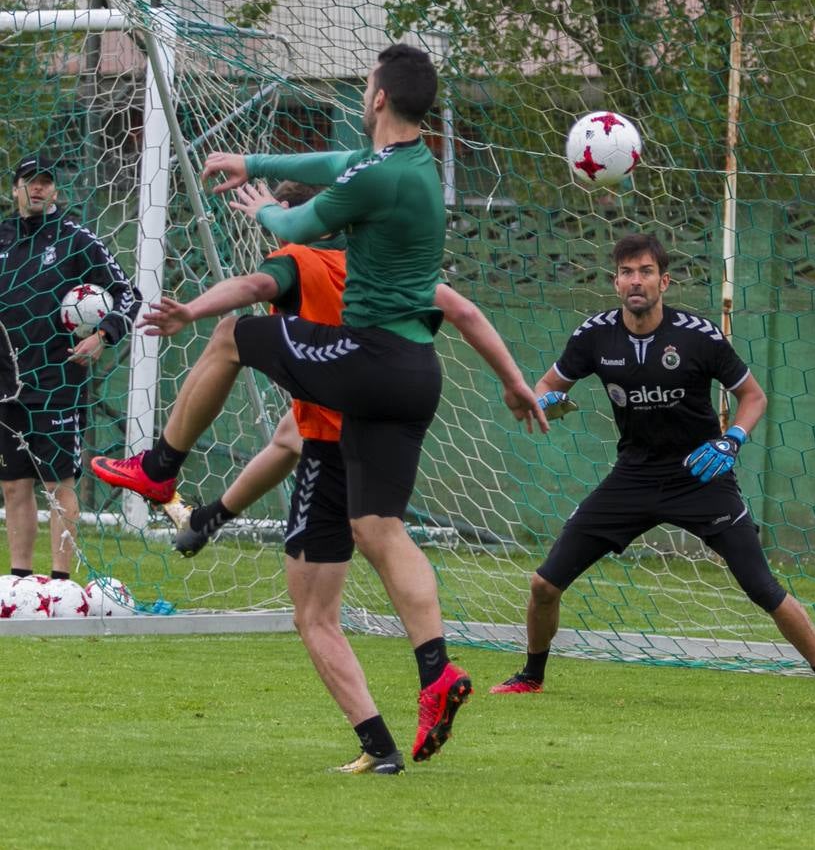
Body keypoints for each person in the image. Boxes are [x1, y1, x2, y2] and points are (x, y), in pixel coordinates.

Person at [92, 44, 538, 765]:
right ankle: (437, 671)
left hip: (371, 361)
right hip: (417, 374)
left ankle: (161, 468)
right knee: (379, 528)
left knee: (235, 334)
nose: (363, 94)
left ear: (379, 96)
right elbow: (334, 167)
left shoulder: (371, 182)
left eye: (366, 86)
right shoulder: (414, 165)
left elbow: (300, 229)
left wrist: (266, 206)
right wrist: (258, 163)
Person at [489, 233, 815, 714]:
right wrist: (546, 404)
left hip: (701, 476)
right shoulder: (594, 335)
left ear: (663, 281)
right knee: (544, 585)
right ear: (615, 281)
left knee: (761, 586)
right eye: (625, 272)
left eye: (644, 271)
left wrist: (732, 440)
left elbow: (754, 397)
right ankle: (531, 676)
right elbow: (544, 389)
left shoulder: (697, 335)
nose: (634, 281)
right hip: (633, 477)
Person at [0, 153, 141, 581]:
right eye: (30, 181)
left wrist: (103, 336)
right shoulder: (2, 236)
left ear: (56, 191)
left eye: (46, 181)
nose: (38, 188)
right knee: (13, 486)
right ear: (15, 189)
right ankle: (20, 581)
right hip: (7, 383)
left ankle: (60, 581)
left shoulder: (77, 239)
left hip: (58, 379)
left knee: (58, 485)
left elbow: (127, 294)